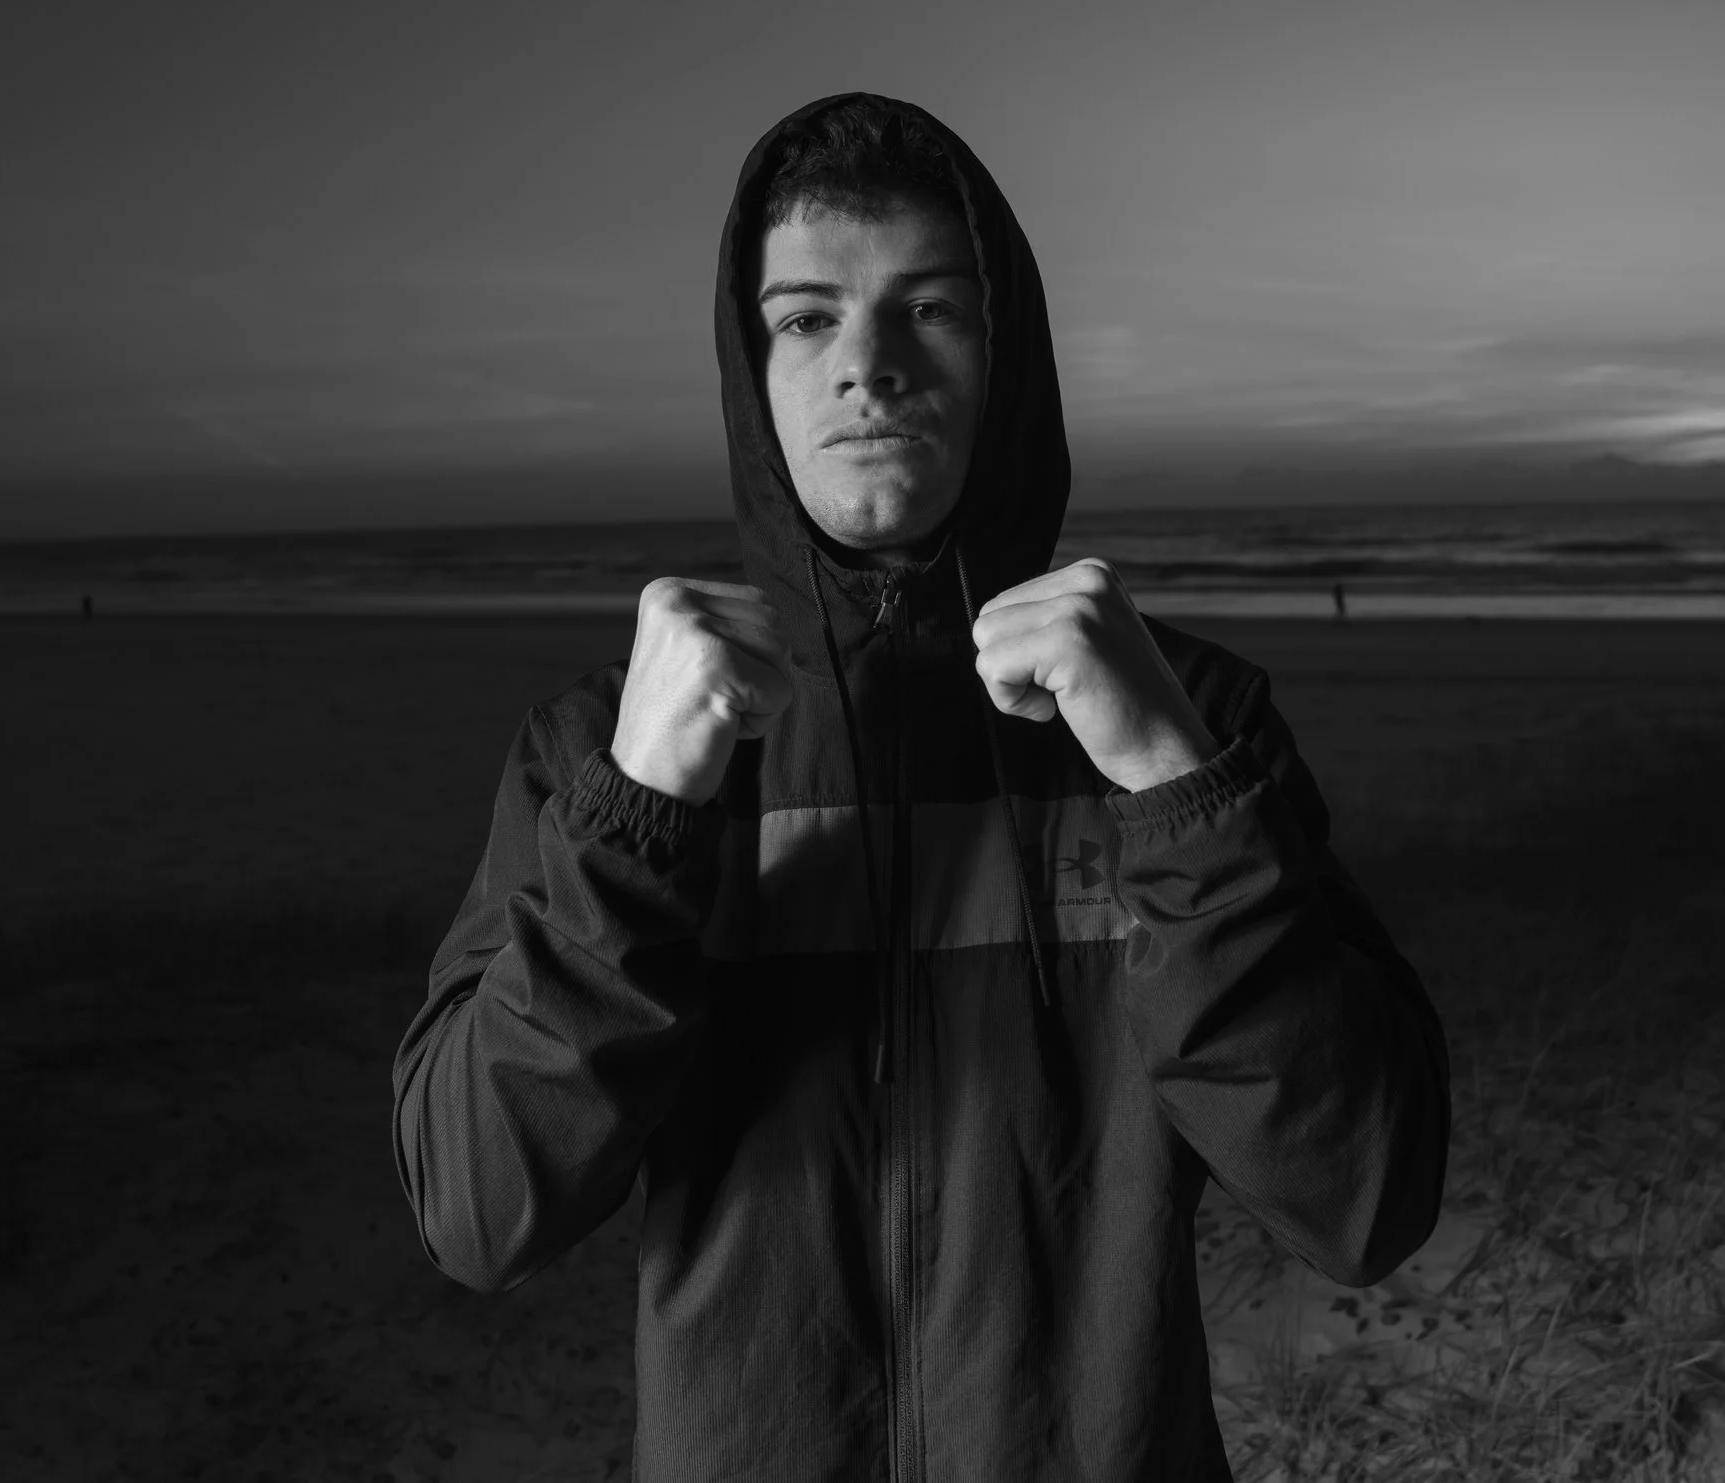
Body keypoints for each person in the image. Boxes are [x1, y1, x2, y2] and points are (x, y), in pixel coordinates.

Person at [391, 93, 1449, 1481]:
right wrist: (640, 812)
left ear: (1004, 357)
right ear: (751, 367)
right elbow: (479, 1209)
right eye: (808, 317)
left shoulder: (1195, 723)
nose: (868, 366)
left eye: (930, 310)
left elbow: (1361, 1198)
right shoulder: (600, 748)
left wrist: (1171, 782)